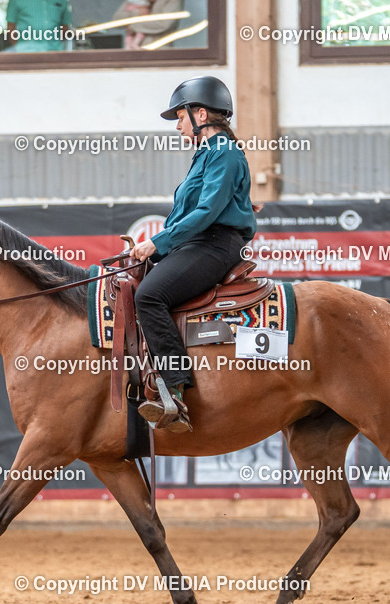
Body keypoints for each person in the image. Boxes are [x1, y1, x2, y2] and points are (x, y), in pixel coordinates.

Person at [130, 76, 257, 433]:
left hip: (213, 244)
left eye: (181, 118)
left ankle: (174, 391)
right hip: (201, 242)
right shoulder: (209, 154)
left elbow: (205, 212)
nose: (179, 126)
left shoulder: (224, 153)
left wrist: (158, 242)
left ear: (200, 113)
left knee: (150, 296)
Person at [5, 0, 73, 53]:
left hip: (55, 52)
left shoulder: (62, 1)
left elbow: (65, 27)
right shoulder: (16, 1)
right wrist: (19, 47)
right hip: (26, 53)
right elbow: (11, 28)